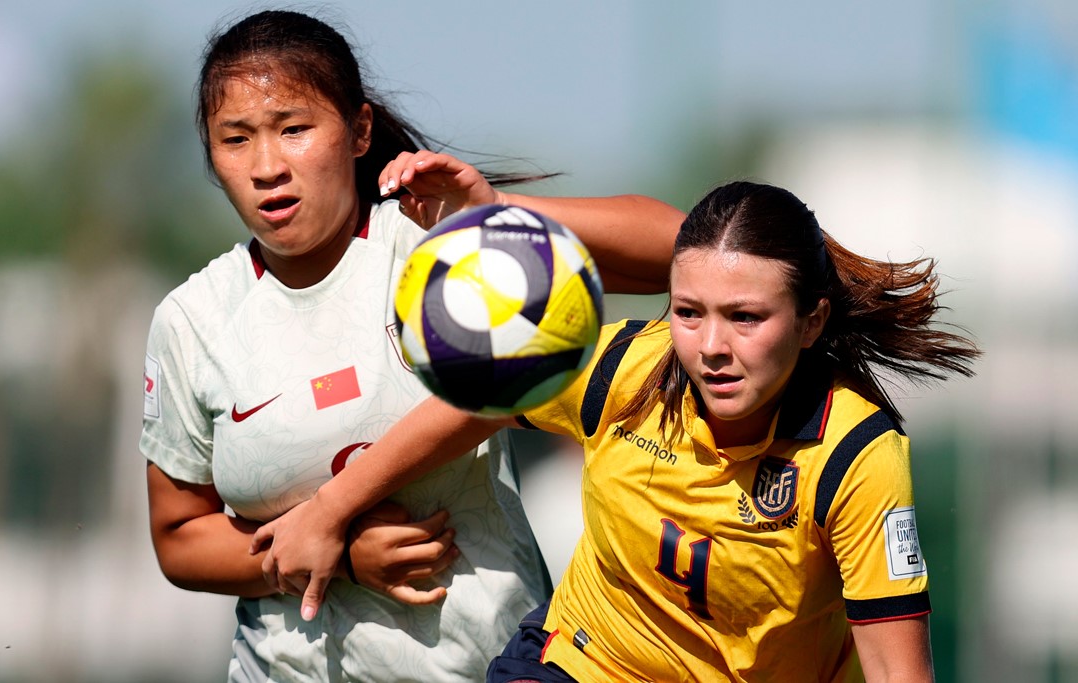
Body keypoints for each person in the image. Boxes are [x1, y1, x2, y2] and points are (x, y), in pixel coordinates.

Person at [140, 9, 683, 683]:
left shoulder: (433, 248)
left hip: (487, 663)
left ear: (359, 130)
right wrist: (335, 553)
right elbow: (178, 537)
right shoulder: (193, 319)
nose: (266, 166)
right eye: (236, 139)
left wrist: (499, 217)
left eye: (294, 129)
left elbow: (684, 256)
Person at [253, 179, 981, 681]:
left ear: (812, 320)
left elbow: (896, 668)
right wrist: (331, 505)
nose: (710, 346)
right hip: (581, 662)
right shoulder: (627, 367)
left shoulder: (855, 452)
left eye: (746, 317)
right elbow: (487, 394)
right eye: (689, 311)